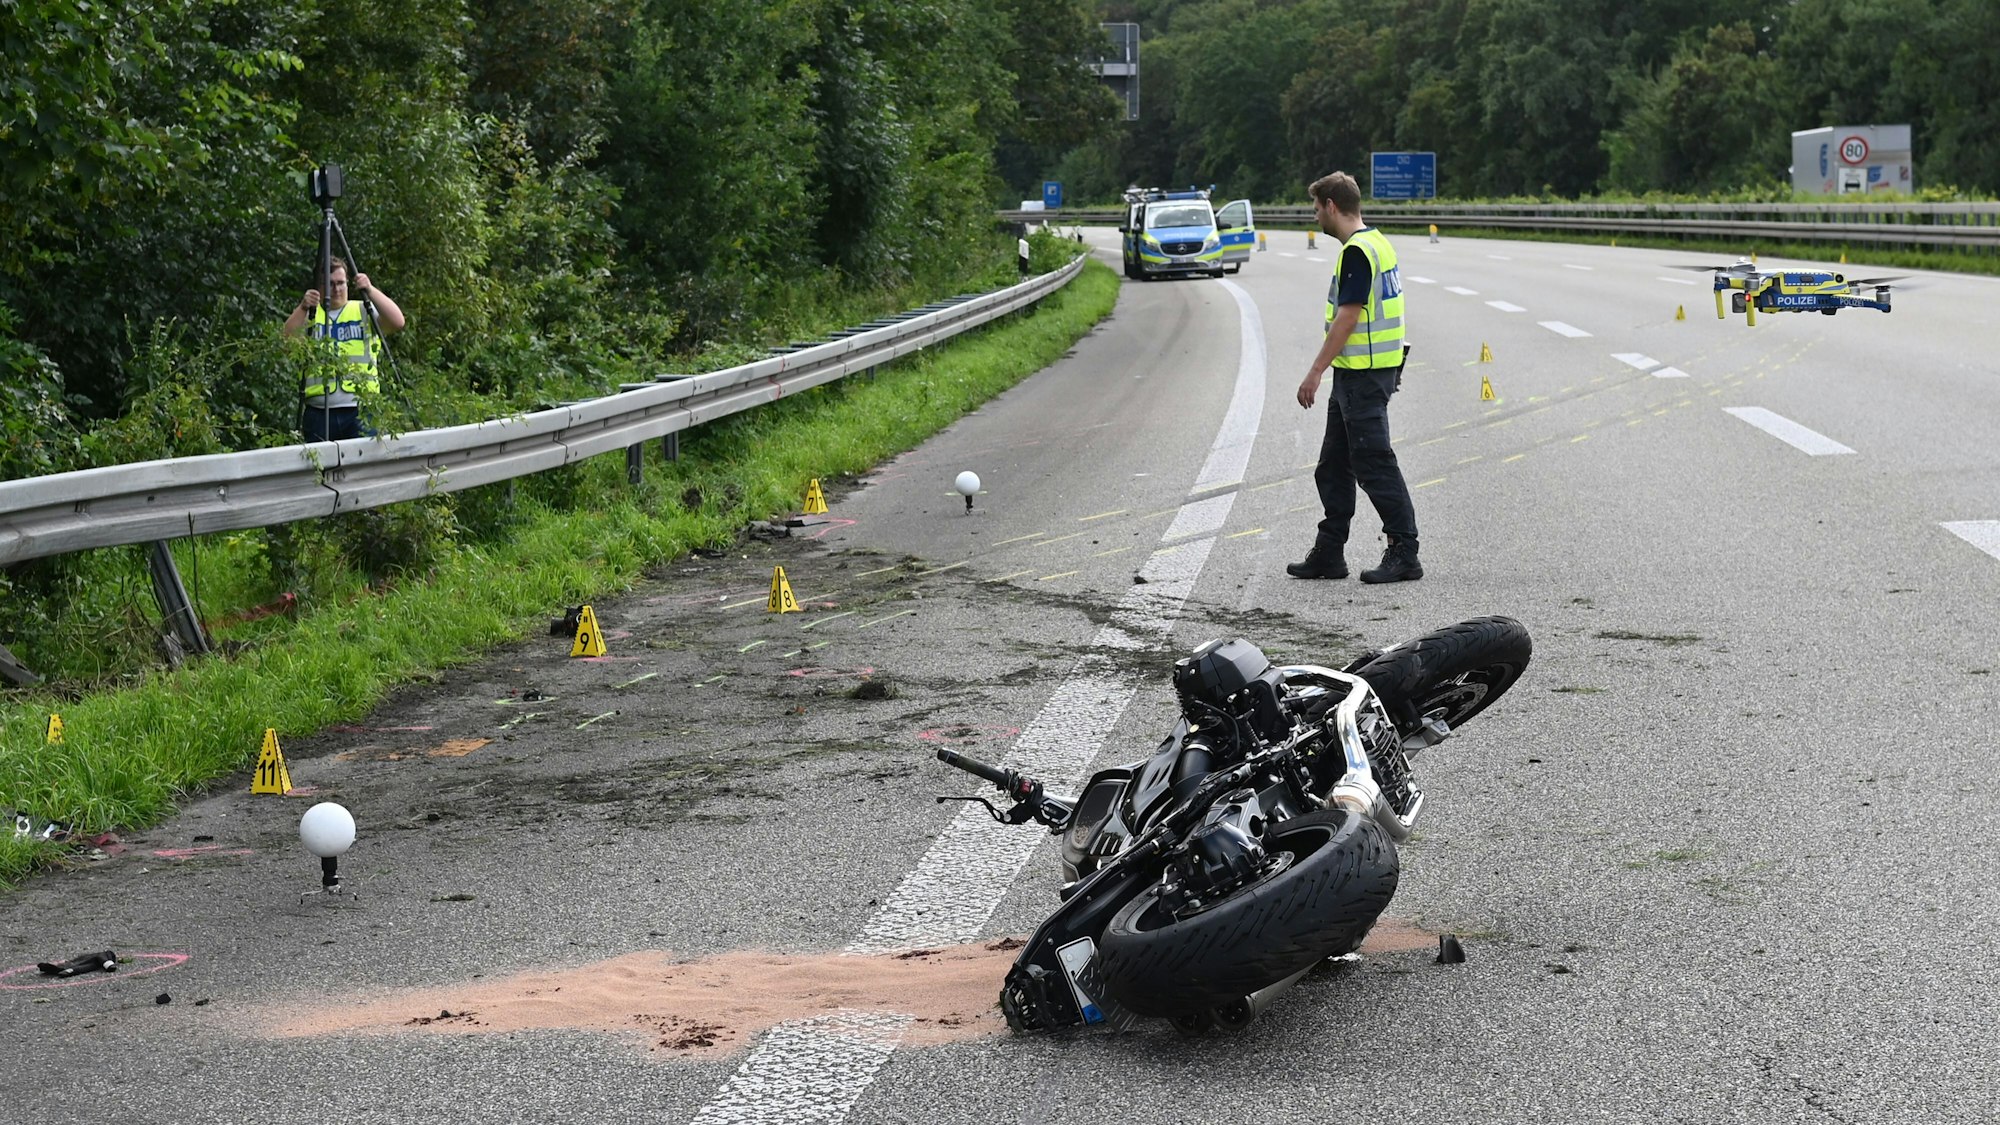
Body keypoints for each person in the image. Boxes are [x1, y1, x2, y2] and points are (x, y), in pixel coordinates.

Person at [1288, 171, 1420, 584]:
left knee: (1373, 463)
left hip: (1364, 376)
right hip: (1359, 373)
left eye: (1316, 208)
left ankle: (1404, 551)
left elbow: (1347, 317)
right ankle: (1329, 552)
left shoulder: (1359, 252)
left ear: (1331, 205)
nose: (1315, 217)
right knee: (1333, 466)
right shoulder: (1377, 242)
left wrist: (1314, 372)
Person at [282, 256, 404, 440]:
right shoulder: (310, 315)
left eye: (340, 283)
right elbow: (285, 344)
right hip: (318, 411)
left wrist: (370, 289)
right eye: (330, 283)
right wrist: (302, 307)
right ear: (319, 286)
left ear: (347, 283)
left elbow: (397, 321)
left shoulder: (363, 310)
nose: (336, 289)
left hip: (362, 408)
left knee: (364, 459)